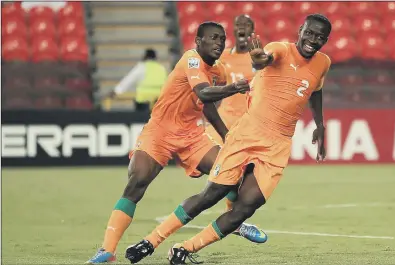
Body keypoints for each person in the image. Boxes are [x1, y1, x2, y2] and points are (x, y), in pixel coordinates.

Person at [123, 13, 332, 265]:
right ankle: (151, 241)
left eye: (320, 37)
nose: (313, 40)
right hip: (247, 134)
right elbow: (264, 59)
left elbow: (316, 89)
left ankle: (185, 248)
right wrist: (258, 59)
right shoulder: (279, 49)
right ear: (300, 30)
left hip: (278, 144)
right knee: (212, 194)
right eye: (309, 33)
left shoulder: (323, 62)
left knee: (246, 207)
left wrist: (319, 124)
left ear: (326, 40)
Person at [86, 21, 265, 264]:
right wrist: (234, 88)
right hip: (160, 131)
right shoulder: (190, 60)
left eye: (222, 39)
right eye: (212, 38)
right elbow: (203, 92)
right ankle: (107, 250)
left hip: (191, 134)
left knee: (229, 170)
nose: (219, 42)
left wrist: (225, 135)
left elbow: (207, 104)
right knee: (137, 180)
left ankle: (234, 222)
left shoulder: (219, 71)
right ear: (198, 42)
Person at [203, 14, 257, 224]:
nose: (242, 28)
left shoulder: (258, 58)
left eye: (247, 25)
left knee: (242, 173)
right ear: (232, 31)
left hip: (248, 124)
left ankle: (231, 216)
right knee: (224, 168)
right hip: (223, 123)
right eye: (238, 25)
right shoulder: (222, 57)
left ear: (252, 30)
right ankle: (231, 217)